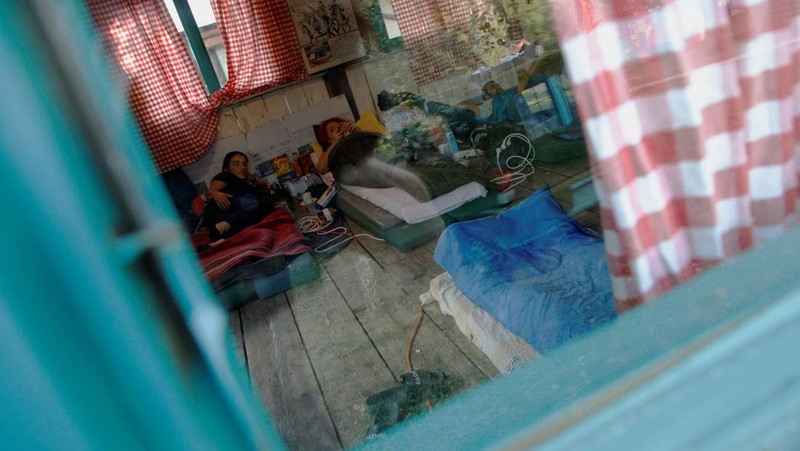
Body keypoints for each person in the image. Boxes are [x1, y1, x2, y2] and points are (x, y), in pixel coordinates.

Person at [204, 151, 274, 243]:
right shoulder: (226, 175)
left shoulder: (244, 182)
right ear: (227, 167)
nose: (242, 167)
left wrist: (250, 177)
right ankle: (222, 228)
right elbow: (209, 194)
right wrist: (214, 193)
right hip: (222, 207)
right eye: (236, 164)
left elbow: (263, 183)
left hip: (235, 214)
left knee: (264, 208)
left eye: (245, 164)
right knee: (261, 206)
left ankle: (221, 234)